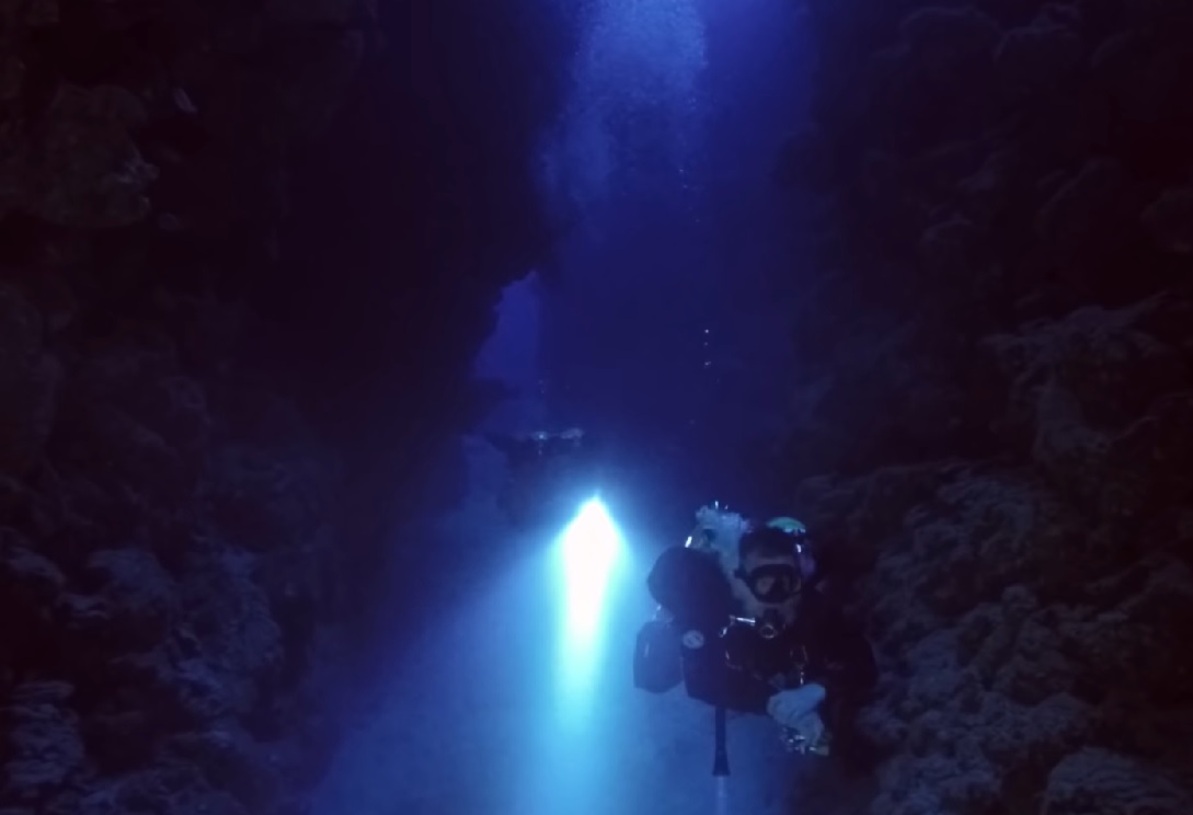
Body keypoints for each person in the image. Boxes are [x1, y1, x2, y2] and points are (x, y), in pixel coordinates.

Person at [634, 505, 877, 758]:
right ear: (741, 578)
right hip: (718, 644)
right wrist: (773, 704)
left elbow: (860, 658)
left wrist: (817, 689)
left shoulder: (803, 599)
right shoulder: (707, 603)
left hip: (759, 649)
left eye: (787, 581)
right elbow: (702, 683)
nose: (780, 597)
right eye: (765, 582)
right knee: (657, 678)